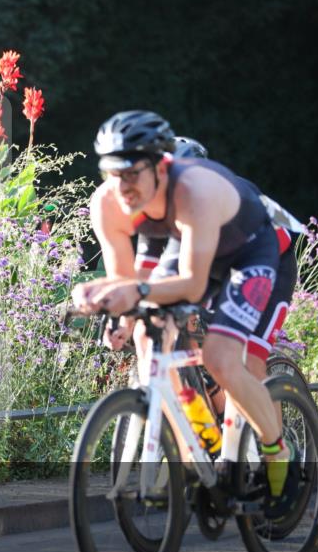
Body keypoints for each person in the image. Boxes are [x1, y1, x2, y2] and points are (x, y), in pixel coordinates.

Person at [72, 110, 300, 519]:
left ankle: (276, 452)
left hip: (252, 253)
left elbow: (193, 286)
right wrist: (115, 311)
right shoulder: (106, 204)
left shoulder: (194, 190)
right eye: (111, 173)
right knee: (148, 338)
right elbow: (127, 279)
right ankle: (201, 453)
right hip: (197, 250)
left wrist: (135, 293)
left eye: (132, 174)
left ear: (162, 167)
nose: (121, 187)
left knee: (226, 359)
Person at [133, 136, 300, 415]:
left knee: (246, 362)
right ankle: (205, 416)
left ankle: (275, 452)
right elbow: (145, 272)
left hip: (270, 261)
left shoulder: (213, 199)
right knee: (170, 329)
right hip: (219, 264)